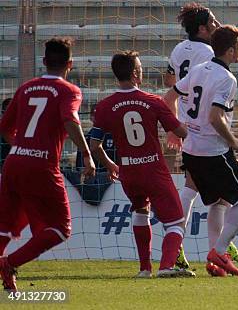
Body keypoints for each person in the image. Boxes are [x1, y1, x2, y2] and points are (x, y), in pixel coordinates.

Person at [0, 38, 95, 292]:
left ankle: (7, 265)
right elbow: (70, 119)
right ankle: (10, 263)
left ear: (44, 62)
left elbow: (5, 129)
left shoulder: (26, 87)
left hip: (13, 162)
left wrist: (22, 147)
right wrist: (87, 154)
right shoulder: (69, 91)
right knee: (61, 229)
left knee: (5, 226)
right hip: (41, 166)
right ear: (70, 64)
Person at [89, 51, 193, 278]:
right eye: (140, 67)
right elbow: (181, 131)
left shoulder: (105, 106)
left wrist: (110, 165)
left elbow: (94, 144)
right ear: (136, 73)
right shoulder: (152, 101)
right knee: (176, 222)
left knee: (140, 211)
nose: (142, 70)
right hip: (153, 170)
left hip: (128, 172)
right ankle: (166, 267)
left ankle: (145, 269)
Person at [164, 25, 238, 277]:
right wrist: (233, 141)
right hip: (213, 151)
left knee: (219, 200)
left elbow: (168, 97)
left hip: (192, 148)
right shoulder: (227, 79)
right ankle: (220, 251)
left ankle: (214, 261)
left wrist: (177, 127)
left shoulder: (199, 69)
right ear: (229, 50)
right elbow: (216, 117)